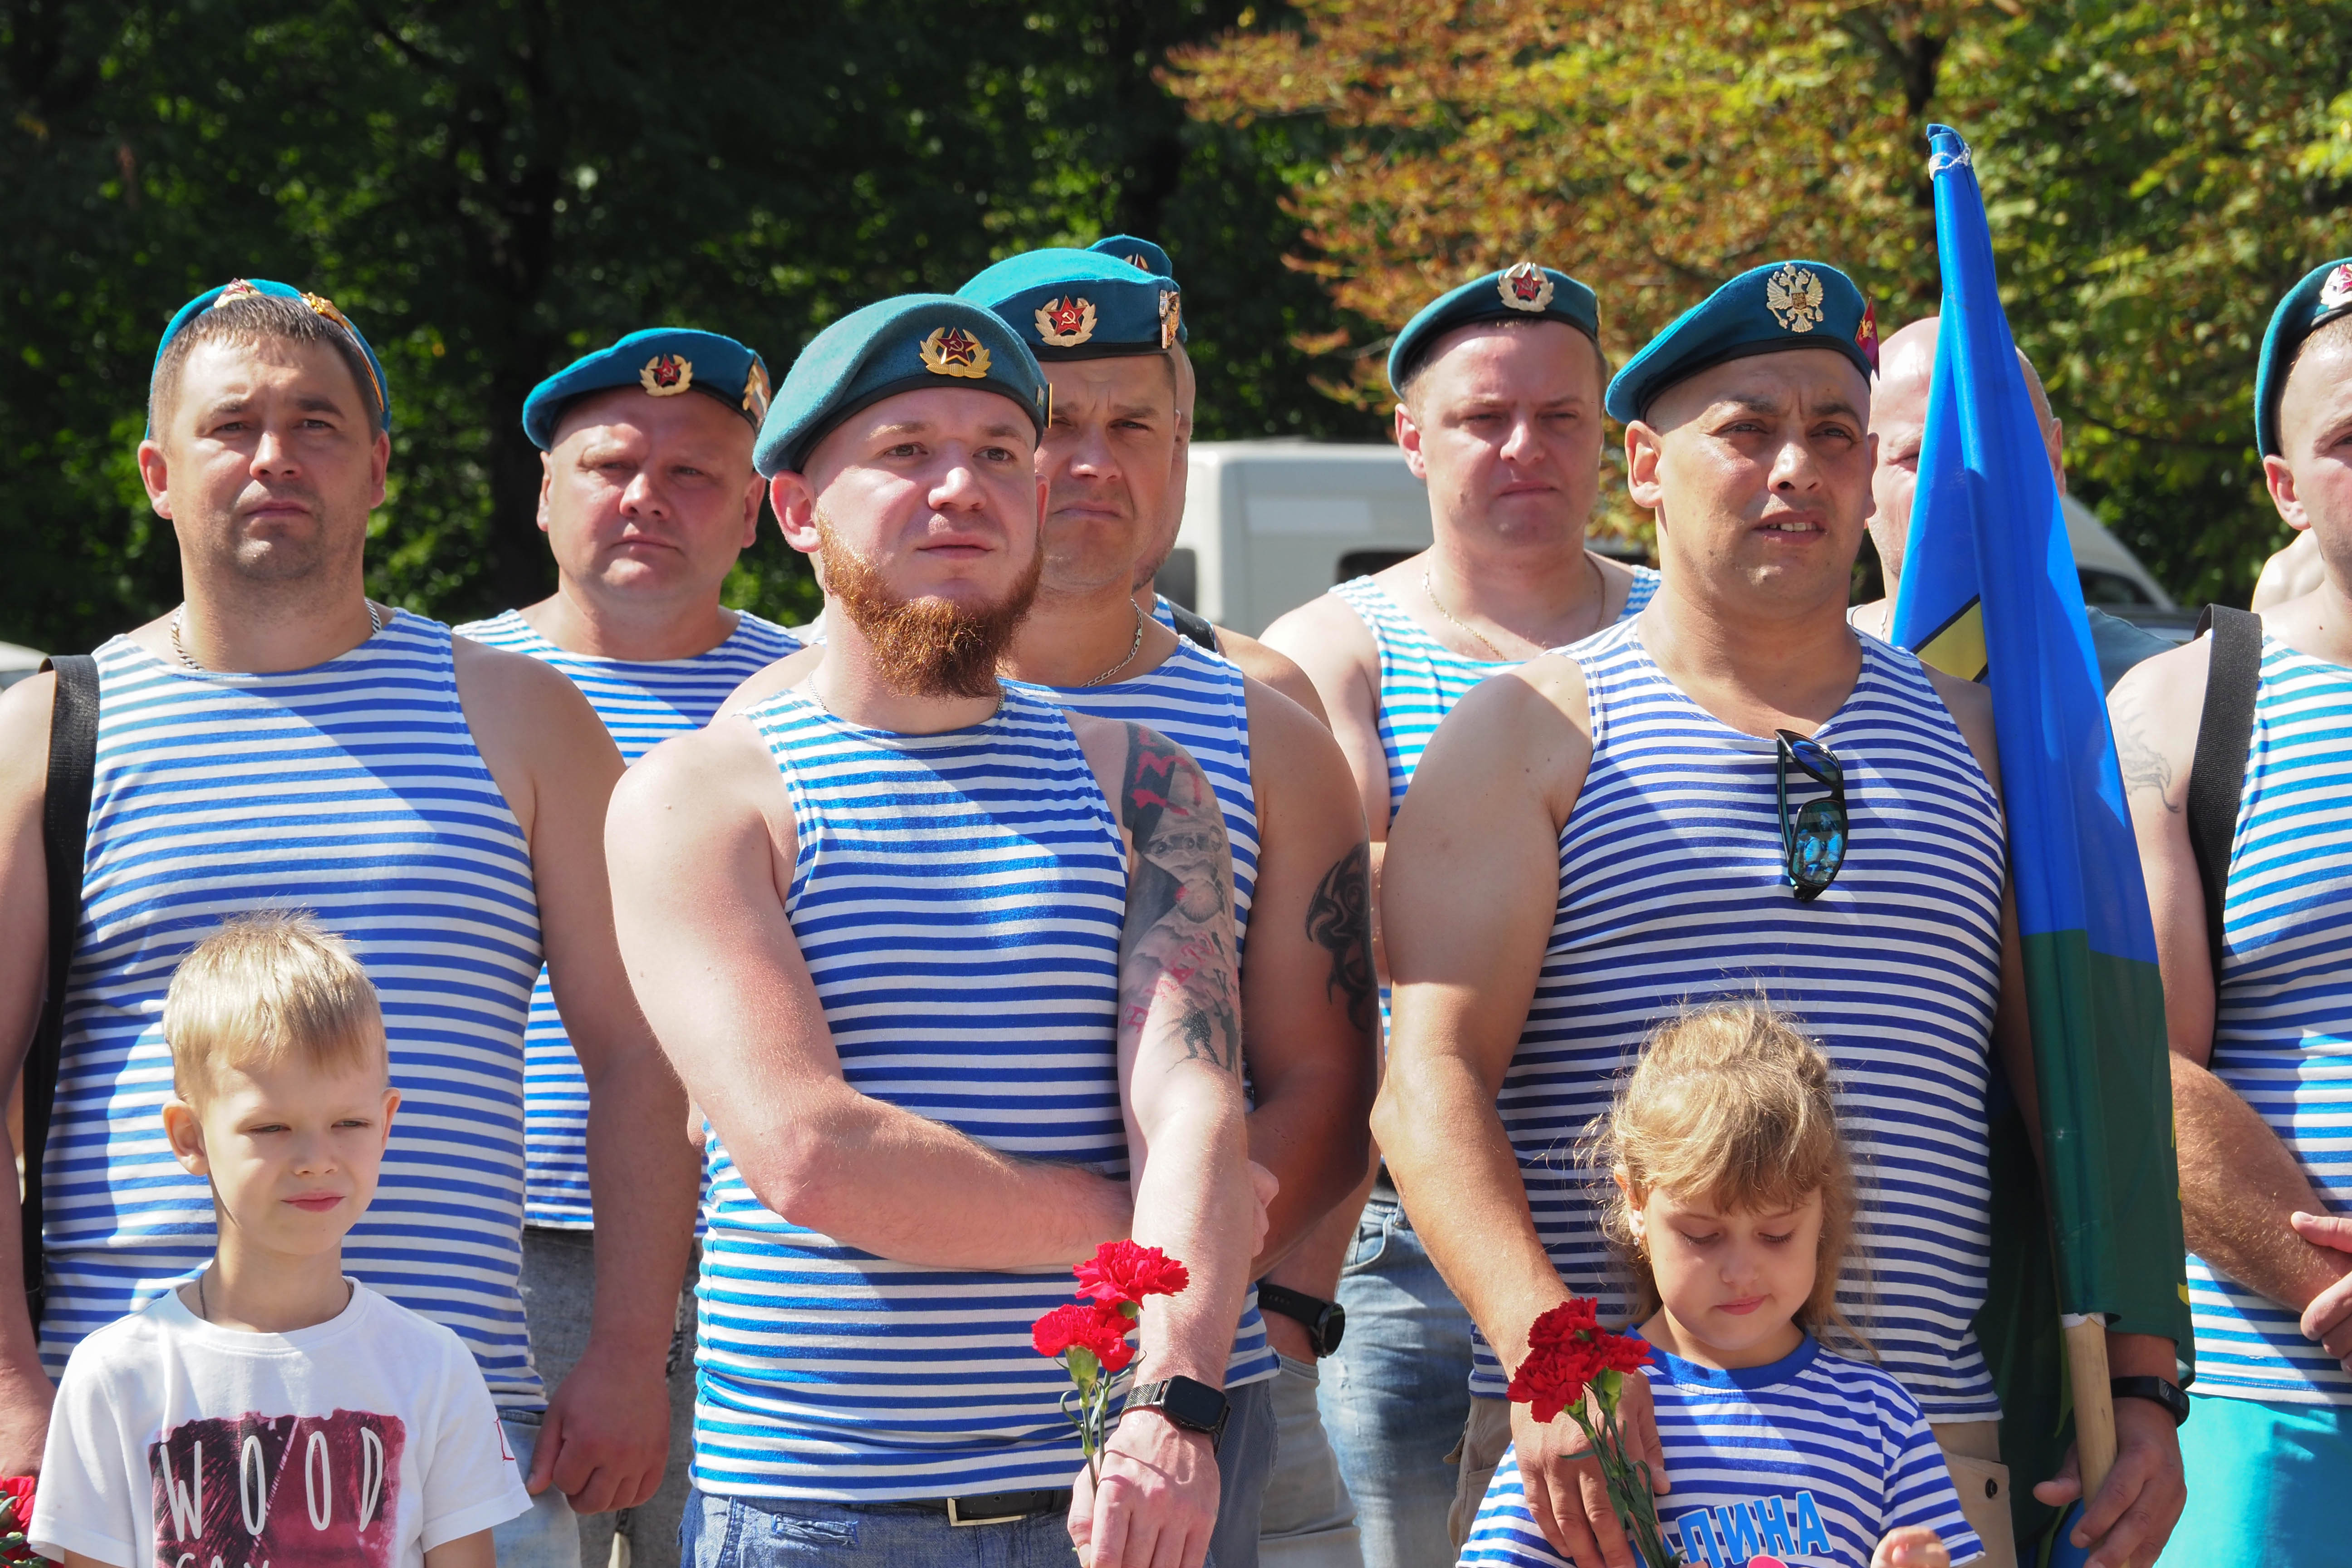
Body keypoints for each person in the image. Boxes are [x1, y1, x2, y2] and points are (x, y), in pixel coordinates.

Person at [1372, 260, 2185, 1568]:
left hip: (1923, 1462)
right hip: (1612, 1446)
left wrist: (2140, 1383)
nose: (1796, 468)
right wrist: (1549, 1353)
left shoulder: (1993, 742)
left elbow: (2081, 1087)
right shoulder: (1526, 730)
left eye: (1834, 434)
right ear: (1646, 466)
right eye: (1747, 431)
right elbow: (1427, 1084)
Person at [0, 280, 700, 1567]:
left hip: (455, 1449)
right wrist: (8, 1388)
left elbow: (639, 1057)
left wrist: (624, 1347)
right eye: (231, 426)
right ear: (157, 474)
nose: (274, 455)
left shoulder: (521, 719)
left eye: (316, 424)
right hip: (132, 1442)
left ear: (378, 469)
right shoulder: (47, 736)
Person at [606, 294, 1261, 1568]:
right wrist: (1152, 1230)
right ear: (796, 509)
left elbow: (1193, 1104)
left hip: (1118, 1493)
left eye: (998, 453)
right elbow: (811, 1154)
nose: (961, 486)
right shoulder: (702, 795)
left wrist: (1170, 1397)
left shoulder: (1147, 783)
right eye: (906, 450)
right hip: (818, 1516)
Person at [960, 247, 1377, 1568]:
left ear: (1182, 446)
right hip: (870, 1416)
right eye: (1050, 426)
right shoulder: (808, 710)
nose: (1091, 462)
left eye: (1132, 424)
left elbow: (1326, 1074)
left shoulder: (1269, 732)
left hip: (1190, 1402)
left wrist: (1201, 1288)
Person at [1255, 263, 1656, 1568]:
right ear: (1412, 438)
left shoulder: (1683, 625)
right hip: (1415, 1243)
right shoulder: (1336, 651)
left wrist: (1455, 878)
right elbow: (1325, 921)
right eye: (1484, 418)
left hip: (1680, 1228)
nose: (1525, 446)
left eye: (1560, 416)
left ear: (1610, 436)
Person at [454, 326, 799, 1563]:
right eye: (609, 466)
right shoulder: (445, 689)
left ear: (753, 512)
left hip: (770, 1248)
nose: (646, 497)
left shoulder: (820, 700)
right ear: (546, 496)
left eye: (693, 472)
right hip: (510, 1247)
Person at [29, 911, 533, 1566]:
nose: (317, 1161)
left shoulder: (435, 1369)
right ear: (190, 1137)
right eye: (271, 1128)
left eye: (349, 1123)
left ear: (386, 1124)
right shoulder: (115, 1376)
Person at [2111, 255, 2352, 1565]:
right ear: (2283, 486)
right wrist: (2336, 1293)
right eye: (2348, 440)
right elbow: (2142, 1070)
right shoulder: (2184, 710)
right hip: (2276, 1418)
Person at [1456, 1001, 1978, 1568]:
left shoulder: (1882, 1421)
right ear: (1635, 1202)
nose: (1741, 1272)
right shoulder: (1590, 1415)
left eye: (1777, 1234)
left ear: (1823, 1210)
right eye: (1702, 1236)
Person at [1848, 317, 2169, 691]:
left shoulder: (2162, 690)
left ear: (2055, 462)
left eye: (1998, 449)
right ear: (1863, 481)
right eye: (1920, 456)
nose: (1966, 482)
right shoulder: (1801, 689)